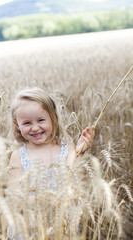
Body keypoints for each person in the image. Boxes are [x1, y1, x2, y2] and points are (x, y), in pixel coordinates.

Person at [7, 87, 95, 238]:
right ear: (17, 125)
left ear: (53, 118)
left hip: (62, 226)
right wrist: (50, 201)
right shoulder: (17, 156)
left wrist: (80, 151)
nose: (35, 128)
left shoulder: (69, 150)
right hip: (29, 229)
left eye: (41, 120)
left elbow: (76, 186)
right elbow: (15, 196)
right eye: (27, 123)